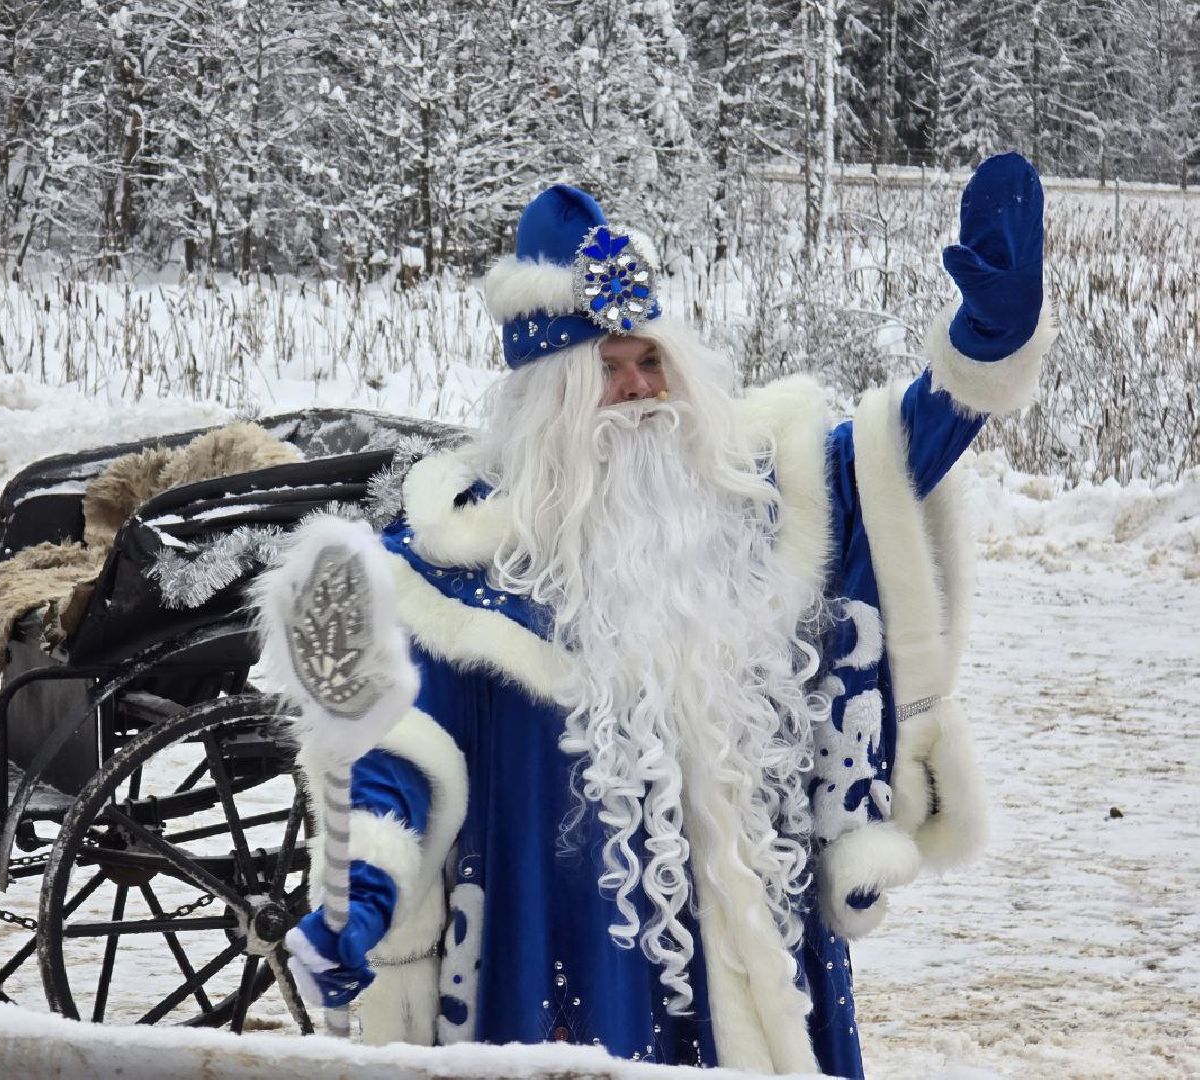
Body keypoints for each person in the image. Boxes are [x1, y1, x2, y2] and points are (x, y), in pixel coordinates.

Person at [265, 153, 1053, 1077]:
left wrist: (986, 340)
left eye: (652, 362)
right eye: (608, 370)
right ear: (549, 399)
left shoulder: (760, 507)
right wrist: (360, 900)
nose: (641, 391)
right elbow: (396, 755)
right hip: (562, 969)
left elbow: (901, 450)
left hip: (757, 960)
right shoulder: (459, 576)